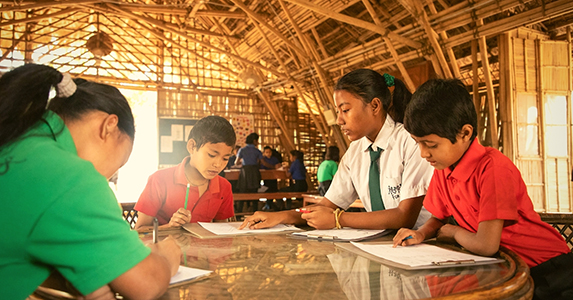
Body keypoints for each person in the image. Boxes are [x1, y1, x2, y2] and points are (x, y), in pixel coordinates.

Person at [0, 64, 180, 300]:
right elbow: (145, 284)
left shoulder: (19, 140)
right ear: (109, 127)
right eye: (119, 164)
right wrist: (165, 258)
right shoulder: (68, 176)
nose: (107, 178)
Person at [393, 79, 573, 300]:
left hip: (547, 269)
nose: (423, 154)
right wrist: (421, 233)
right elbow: (439, 218)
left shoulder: (493, 169)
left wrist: (455, 232)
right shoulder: (443, 167)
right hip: (504, 266)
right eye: (417, 143)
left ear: (465, 133)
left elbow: (487, 245)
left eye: (431, 145)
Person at [240, 69, 433, 230]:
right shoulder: (355, 152)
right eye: (338, 111)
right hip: (382, 245)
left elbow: (405, 217)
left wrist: (339, 219)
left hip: (423, 246)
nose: (339, 120)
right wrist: (281, 216)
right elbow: (326, 206)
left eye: (346, 110)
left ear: (374, 105)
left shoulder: (410, 142)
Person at [134, 116, 236, 230]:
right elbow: (140, 231)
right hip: (163, 246)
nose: (218, 164)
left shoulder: (224, 187)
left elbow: (221, 231)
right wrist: (169, 227)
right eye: (211, 155)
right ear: (192, 147)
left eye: (225, 158)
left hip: (202, 248)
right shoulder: (159, 180)